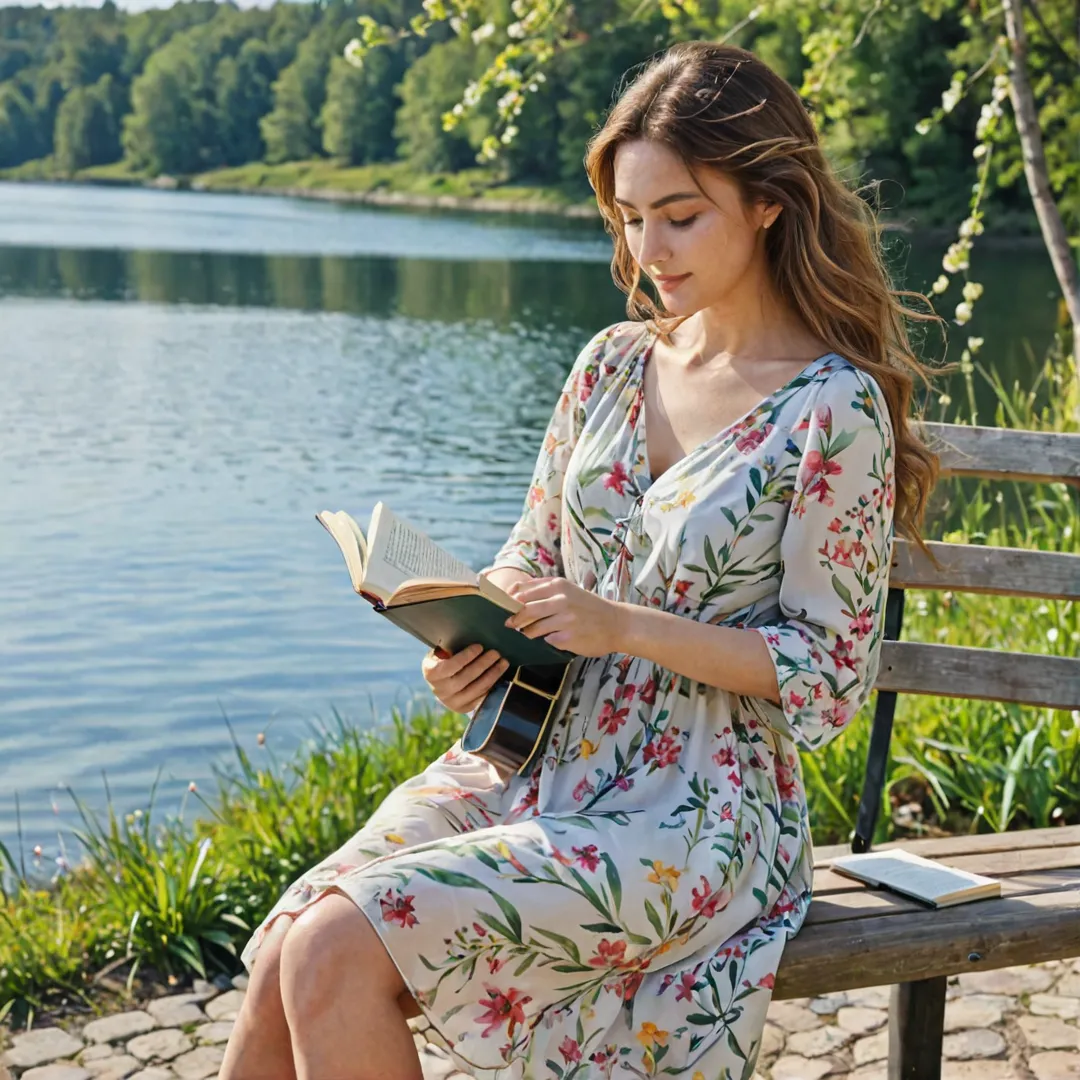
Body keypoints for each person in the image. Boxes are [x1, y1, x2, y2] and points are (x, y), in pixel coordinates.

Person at [220, 39, 938, 1080]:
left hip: (699, 808)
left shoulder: (833, 409)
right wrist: (477, 629)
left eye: (680, 214)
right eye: (632, 218)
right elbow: (534, 548)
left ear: (769, 201)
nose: (651, 248)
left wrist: (624, 628)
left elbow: (828, 674)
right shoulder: (611, 363)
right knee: (293, 945)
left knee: (337, 942)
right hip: (530, 754)